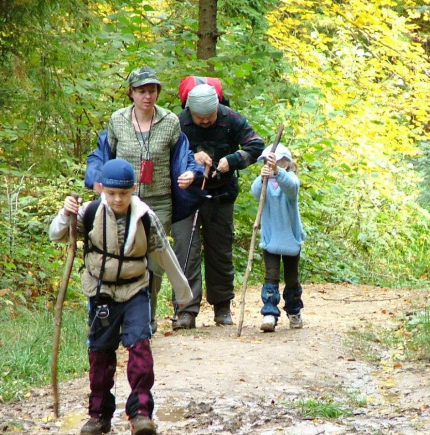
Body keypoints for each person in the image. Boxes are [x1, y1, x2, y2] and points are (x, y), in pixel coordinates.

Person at [49, 159, 192, 435]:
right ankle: (99, 415)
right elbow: (56, 234)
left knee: (140, 350)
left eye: (124, 194)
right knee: (100, 354)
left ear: (133, 190)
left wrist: (183, 293)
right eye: (112, 193)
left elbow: (164, 254)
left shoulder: (145, 216)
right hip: (100, 291)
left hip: (136, 289)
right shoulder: (89, 212)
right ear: (102, 189)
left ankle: (140, 413)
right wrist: (66, 214)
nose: (118, 199)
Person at [85, 66, 204, 334]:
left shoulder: (171, 121)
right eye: (141, 91)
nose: (147, 96)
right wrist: (97, 177)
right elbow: (104, 153)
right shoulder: (117, 120)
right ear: (131, 93)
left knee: (152, 261)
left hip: (159, 202)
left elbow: (184, 155)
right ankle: (123, 316)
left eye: (152, 91)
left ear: (158, 92)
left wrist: (190, 173)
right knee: (124, 254)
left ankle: (147, 317)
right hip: (123, 200)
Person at [172, 83, 265, 330]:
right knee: (185, 252)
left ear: (217, 109)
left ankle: (222, 307)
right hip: (186, 197)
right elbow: (168, 152)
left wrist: (232, 161)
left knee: (220, 251)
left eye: (209, 117)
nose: (204, 121)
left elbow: (257, 145)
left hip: (221, 196)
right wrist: (193, 157)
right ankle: (185, 310)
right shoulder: (177, 123)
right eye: (199, 117)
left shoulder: (231, 119)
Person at [251, 144, 306, 332]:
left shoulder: (290, 179)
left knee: (291, 279)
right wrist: (262, 177)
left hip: (290, 238)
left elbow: (291, 189)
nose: (273, 164)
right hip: (271, 238)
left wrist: (277, 171)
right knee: (271, 276)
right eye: (269, 161)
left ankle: (294, 310)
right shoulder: (265, 182)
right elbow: (255, 193)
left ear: (286, 162)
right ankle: (269, 312)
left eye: (277, 161)